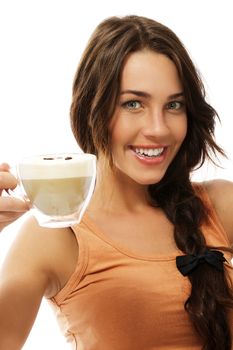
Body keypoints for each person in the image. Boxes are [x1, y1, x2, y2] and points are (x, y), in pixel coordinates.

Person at [0, 15, 233, 350]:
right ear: (91, 108)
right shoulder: (57, 235)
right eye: (133, 104)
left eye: (174, 105)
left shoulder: (220, 206)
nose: (158, 128)